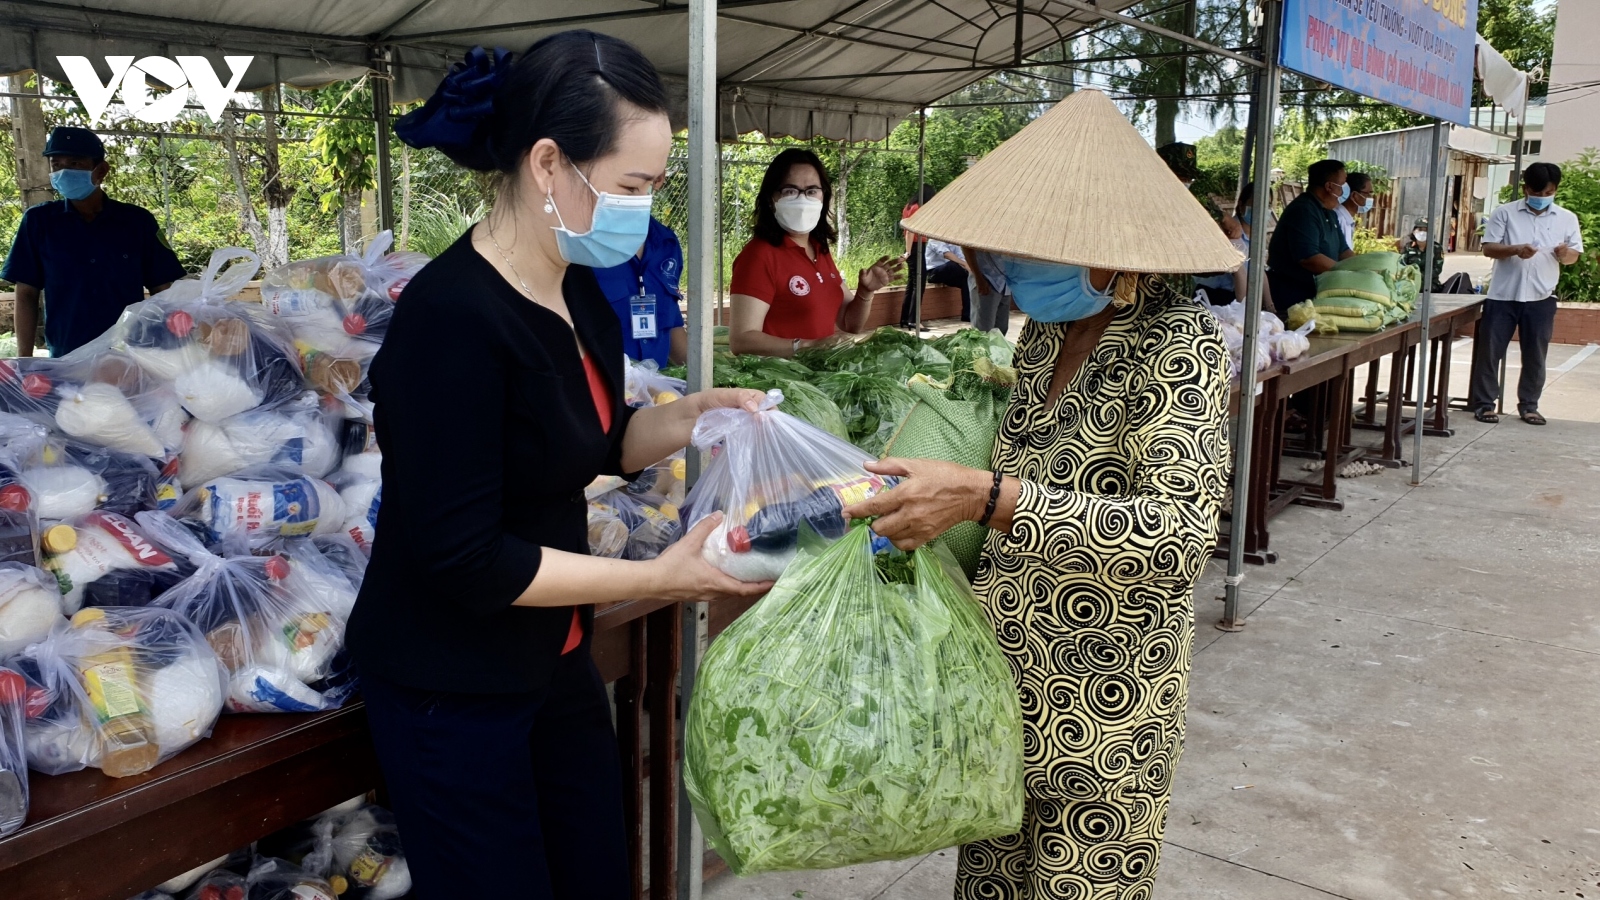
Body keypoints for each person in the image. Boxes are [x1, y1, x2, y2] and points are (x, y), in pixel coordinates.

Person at [347, 34, 770, 899]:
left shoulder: (576, 286)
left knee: (595, 874)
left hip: (551, 651)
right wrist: (658, 571)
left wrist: (690, 418)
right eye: (631, 187)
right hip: (452, 684)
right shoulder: (452, 321)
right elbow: (464, 556)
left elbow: (600, 442)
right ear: (549, 164)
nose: (644, 213)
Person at [845, 89, 1237, 899]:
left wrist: (985, 497)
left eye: (1036, 252)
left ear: (1112, 251)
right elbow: (1008, 469)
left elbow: (1178, 535)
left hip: (1105, 707)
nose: (1012, 270)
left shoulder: (1180, 348)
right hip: (1002, 687)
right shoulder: (1047, 333)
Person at [1, 126, 185, 357]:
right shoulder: (39, 222)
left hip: (130, 353)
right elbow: (26, 292)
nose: (64, 171)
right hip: (68, 354)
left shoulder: (137, 222)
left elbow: (162, 290)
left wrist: (171, 348)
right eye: (56, 165)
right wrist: (24, 359)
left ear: (101, 171)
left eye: (75, 163)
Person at [727, 148, 902, 357]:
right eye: (790, 191)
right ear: (771, 198)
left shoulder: (819, 249)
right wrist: (808, 347)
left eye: (811, 191)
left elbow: (849, 322)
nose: (802, 200)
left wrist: (866, 292)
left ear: (823, 197)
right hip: (778, 381)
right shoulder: (758, 256)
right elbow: (741, 340)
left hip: (817, 378)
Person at [1469, 162, 1584, 426]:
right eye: (1538, 193)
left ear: (1555, 190)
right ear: (1526, 188)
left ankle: (1529, 405)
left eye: (1549, 193)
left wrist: (1565, 255)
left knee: (1535, 355)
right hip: (1503, 296)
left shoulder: (1567, 218)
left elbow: (1573, 256)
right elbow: (1488, 248)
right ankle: (1485, 404)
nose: (1543, 198)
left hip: (1541, 297)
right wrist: (1515, 249)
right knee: (1490, 352)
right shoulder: (1505, 213)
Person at [592, 213, 687, 366]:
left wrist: (708, 375)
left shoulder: (668, 243)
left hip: (654, 386)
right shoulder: (584, 246)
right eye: (629, 189)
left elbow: (672, 326)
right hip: (604, 384)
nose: (639, 193)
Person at [1267, 158, 1354, 316]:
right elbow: (1309, 258)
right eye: (1343, 185)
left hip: (1314, 295)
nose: (1344, 191)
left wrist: (1364, 269)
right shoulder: (1304, 211)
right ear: (1329, 186)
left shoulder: (1329, 213)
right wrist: (1347, 275)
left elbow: (1344, 252)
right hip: (1292, 297)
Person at [1399, 217, 1474, 295]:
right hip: (1411, 283)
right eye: (1420, 229)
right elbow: (1401, 265)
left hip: (1430, 285)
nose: (1422, 232)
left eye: (1426, 230)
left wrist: (1420, 277)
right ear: (1414, 231)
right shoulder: (1408, 248)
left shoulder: (1436, 248)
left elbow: (1437, 269)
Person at [901, 186, 935, 331]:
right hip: (916, 247)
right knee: (919, 285)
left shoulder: (908, 206)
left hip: (913, 247)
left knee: (912, 284)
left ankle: (905, 318)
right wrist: (908, 252)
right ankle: (914, 321)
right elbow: (910, 231)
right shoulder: (918, 208)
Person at [963, 246, 1012, 335]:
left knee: (1001, 329)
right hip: (986, 279)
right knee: (983, 329)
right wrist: (978, 278)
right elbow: (966, 248)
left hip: (1005, 281)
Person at [924, 237, 972, 322]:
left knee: (967, 281)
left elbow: (961, 258)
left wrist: (970, 270)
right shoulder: (935, 240)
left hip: (950, 272)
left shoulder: (953, 242)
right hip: (934, 273)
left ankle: (967, 315)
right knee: (953, 264)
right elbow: (946, 254)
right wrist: (964, 264)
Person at [1335, 170, 1374, 250]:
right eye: (1368, 193)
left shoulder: (1346, 219)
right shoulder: (1338, 218)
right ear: (1354, 195)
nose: (1370, 197)